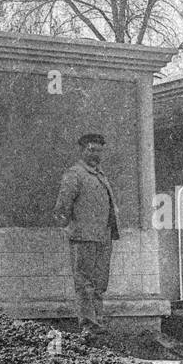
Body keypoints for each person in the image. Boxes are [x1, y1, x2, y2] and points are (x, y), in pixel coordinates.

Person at [54, 133, 119, 336]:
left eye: (99, 150)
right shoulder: (75, 174)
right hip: (83, 238)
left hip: (102, 237)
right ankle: (88, 325)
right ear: (82, 150)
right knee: (84, 283)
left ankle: (98, 321)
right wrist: (69, 229)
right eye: (91, 149)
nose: (95, 154)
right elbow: (62, 207)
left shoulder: (100, 175)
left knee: (100, 283)